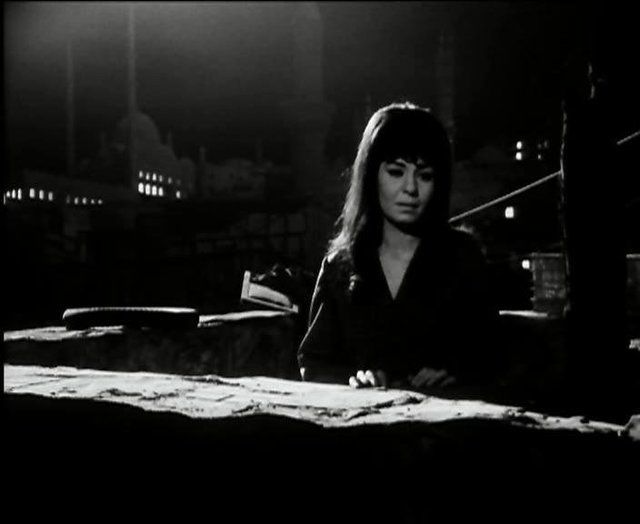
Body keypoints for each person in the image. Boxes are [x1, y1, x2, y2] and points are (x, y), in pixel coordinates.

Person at [297, 102, 500, 394]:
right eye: (396, 172)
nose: (411, 188)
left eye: (425, 175)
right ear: (370, 175)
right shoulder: (340, 265)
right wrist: (354, 379)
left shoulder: (463, 257)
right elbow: (314, 362)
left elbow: (491, 354)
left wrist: (454, 373)